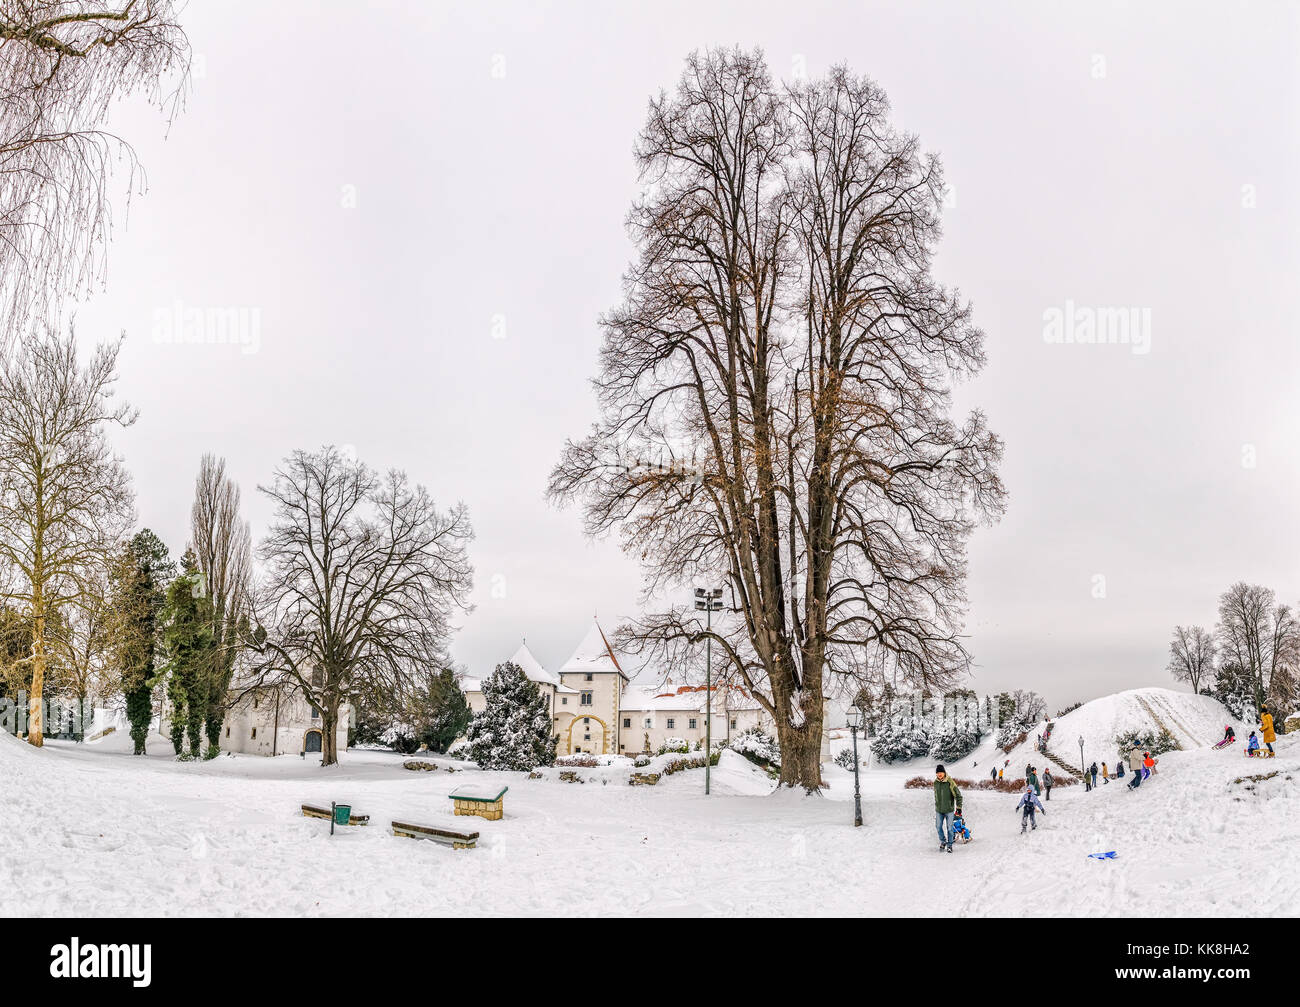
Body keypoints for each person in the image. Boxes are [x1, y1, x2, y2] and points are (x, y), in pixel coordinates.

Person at [933, 764, 962, 853]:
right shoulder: (936, 782)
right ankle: (943, 841)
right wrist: (937, 804)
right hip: (939, 810)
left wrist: (959, 808)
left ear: (944, 773)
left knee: (950, 828)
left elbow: (958, 795)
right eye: (938, 773)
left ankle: (949, 845)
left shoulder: (950, 782)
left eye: (941, 772)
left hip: (949, 810)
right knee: (938, 827)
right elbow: (936, 795)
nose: (939, 774)